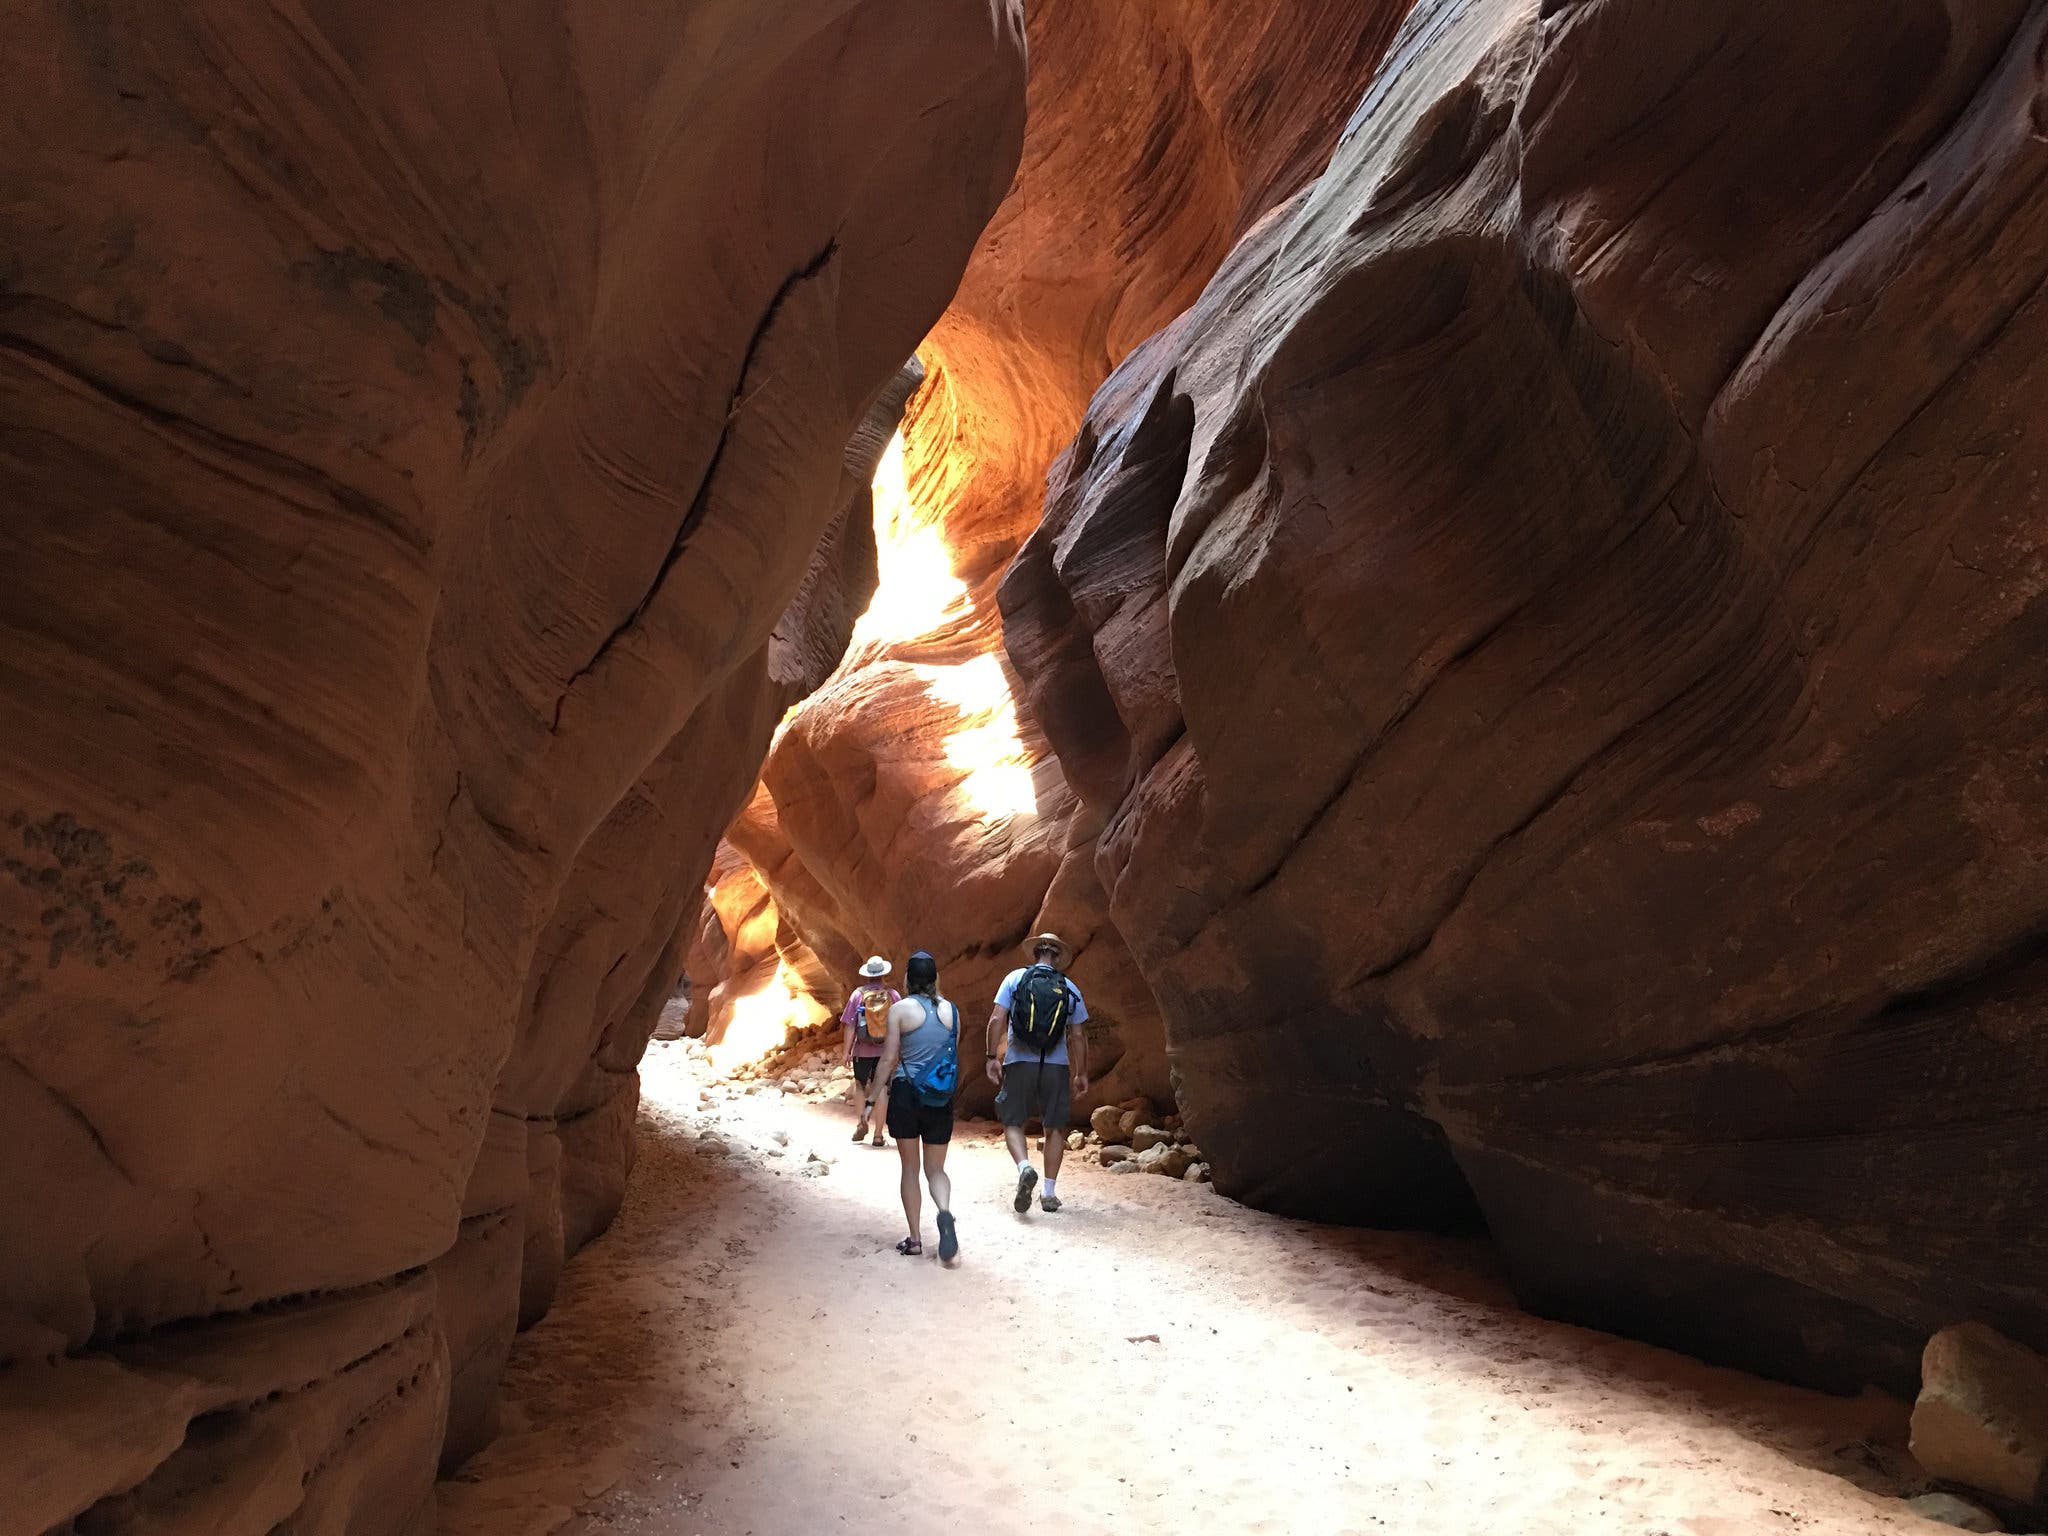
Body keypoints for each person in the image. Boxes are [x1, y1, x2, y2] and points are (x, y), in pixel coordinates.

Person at [984, 932, 1088, 1214]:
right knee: (1054, 1127)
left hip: (1019, 1061)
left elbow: (997, 1019)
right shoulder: (1069, 988)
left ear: (1035, 954)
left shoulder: (1015, 979)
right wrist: (1081, 1073)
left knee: (1013, 1120)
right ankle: (1050, 1193)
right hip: (1056, 1066)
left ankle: (1024, 1167)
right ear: (1057, 958)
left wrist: (992, 1056)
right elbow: (1078, 1036)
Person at [869, 949, 962, 1263]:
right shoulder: (952, 1011)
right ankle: (945, 1212)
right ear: (935, 979)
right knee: (936, 1170)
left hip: (907, 1094)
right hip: (939, 1097)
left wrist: (871, 1098)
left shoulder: (900, 1010)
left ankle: (915, 1239)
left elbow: (889, 1058)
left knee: (910, 1168)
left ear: (908, 979)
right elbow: (950, 1056)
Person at [841, 955, 899, 1144]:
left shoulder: (858, 995)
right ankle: (878, 1135)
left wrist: (846, 1052)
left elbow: (850, 1025)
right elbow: (900, 1023)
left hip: (862, 1050)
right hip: (885, 1051)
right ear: (884, 974)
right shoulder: (892, 995)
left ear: (867, 975)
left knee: (859, 1085)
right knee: (881, 1087)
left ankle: (861, 1122)